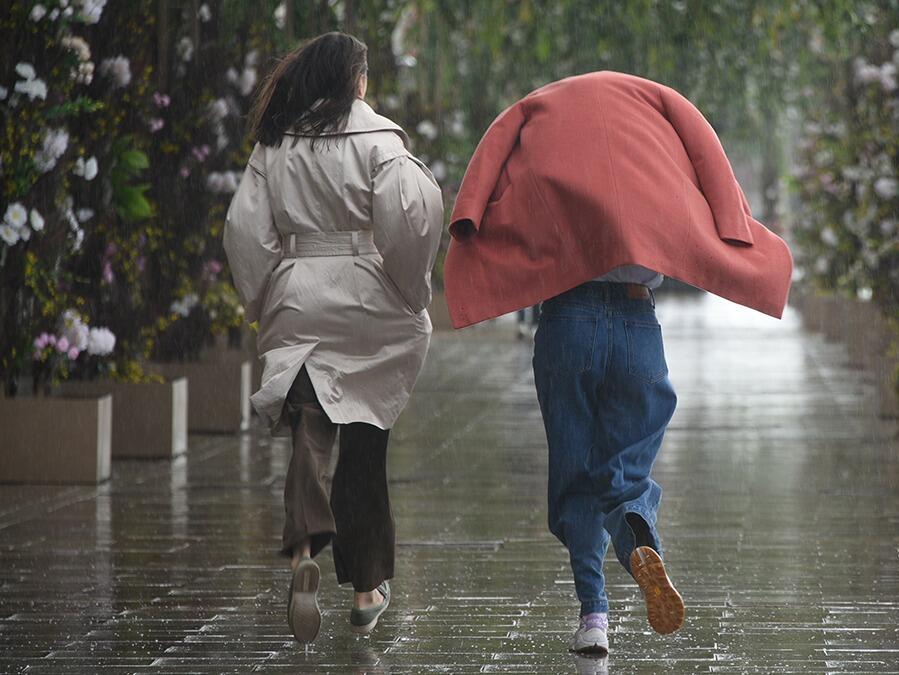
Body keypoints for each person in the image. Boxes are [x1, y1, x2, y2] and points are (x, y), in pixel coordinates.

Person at [444, 71, 792, 654]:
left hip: (567, 322)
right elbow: (708, 163)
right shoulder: (658, 124)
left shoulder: (542, 126)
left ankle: (593, 618)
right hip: (637, 325)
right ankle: (635, 533)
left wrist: (471, 223)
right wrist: (733, 225)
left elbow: (487, 175)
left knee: (574, 473)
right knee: (624, 468)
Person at [223, 31, 443, 643]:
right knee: (366, 442)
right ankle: (369, 586)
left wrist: (265, 294)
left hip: (298, 294)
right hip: (367, 298)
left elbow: (246, 229)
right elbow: (410, 221)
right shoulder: (381, 142)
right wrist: (409, 291)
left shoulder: (276, 144)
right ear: (358, 82)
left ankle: (303, 555)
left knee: (310, 431)